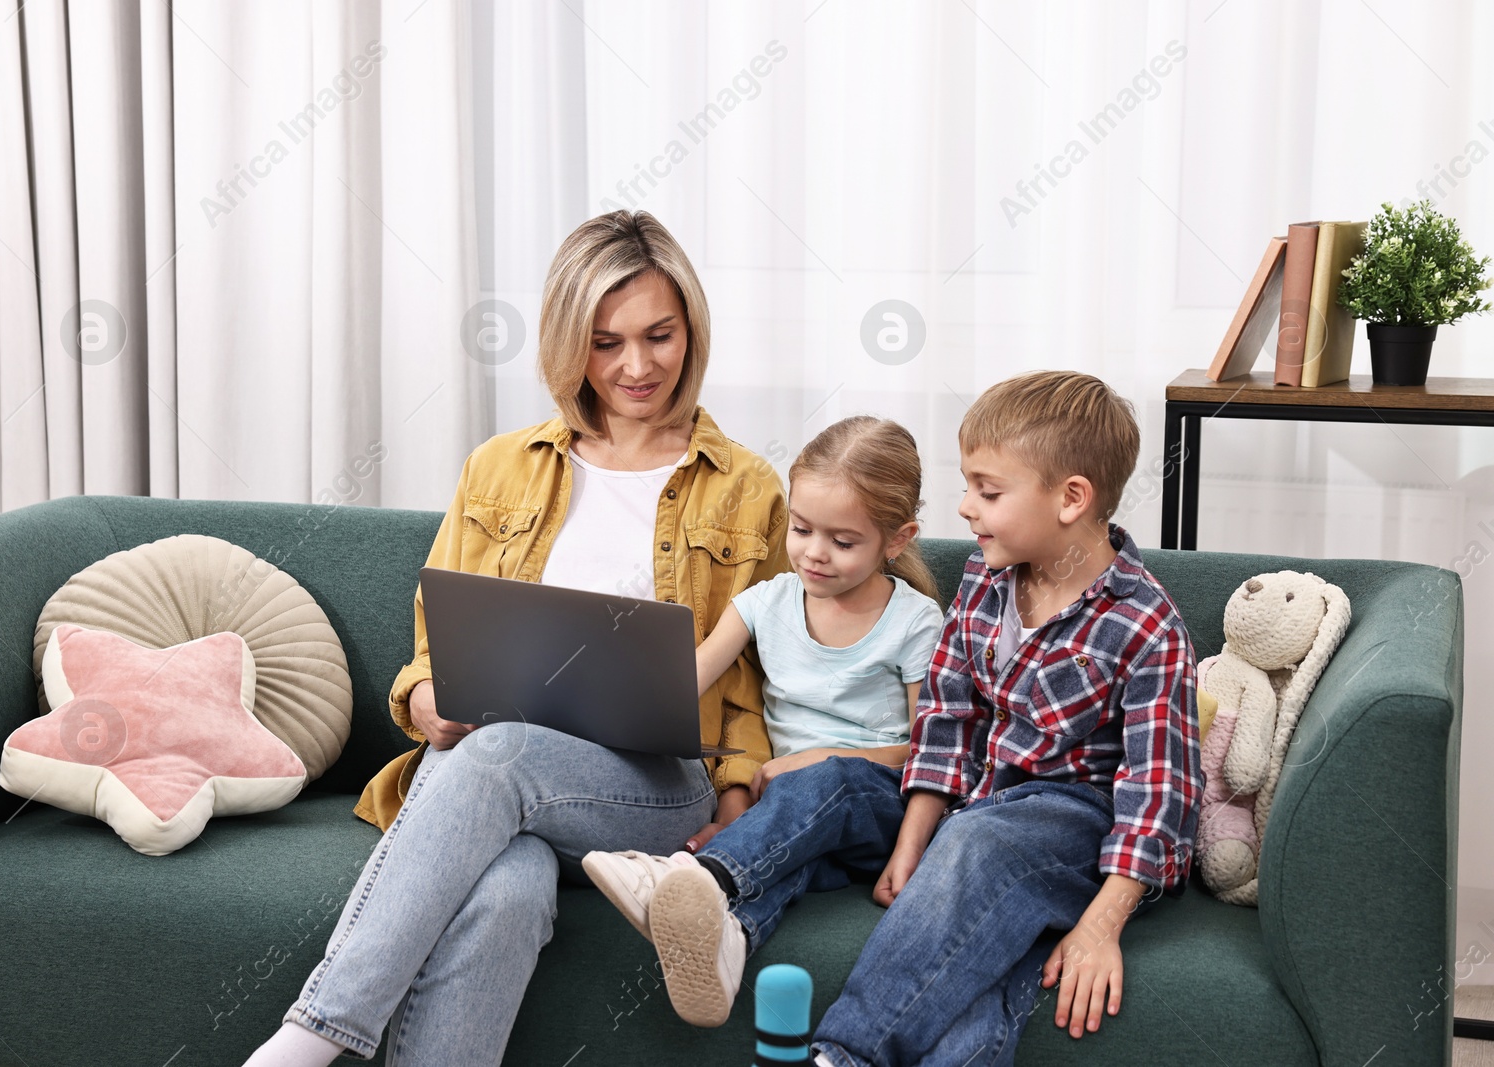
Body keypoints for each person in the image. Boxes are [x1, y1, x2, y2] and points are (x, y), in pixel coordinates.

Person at [240, 210, 788, 1067]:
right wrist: (428, 701)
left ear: (692, 331)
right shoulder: (501, 466)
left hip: (654, 788)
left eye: (659, 335)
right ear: (570, 343)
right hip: (496, 784)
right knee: (509, 887)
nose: (636, 366)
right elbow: (436, 640)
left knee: (498, 755)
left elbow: (754, 670)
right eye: (606, 342)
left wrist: (736, 805)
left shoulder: (746, 485)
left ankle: (309, 1039)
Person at [807, 370, 1204, 1066]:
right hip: (985, 815)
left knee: (981, 840)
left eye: (987, 491)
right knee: (973, 978)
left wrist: (1103, 923)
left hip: (1080, 822)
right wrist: (913, 844)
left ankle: (844, 1054)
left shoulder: (1147, 624)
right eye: (967, 485)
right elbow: (947, 715)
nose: (964, 507)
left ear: (1070, 498)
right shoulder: (986, 579)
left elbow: (1159, 798)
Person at [582, 416, 946, 1027]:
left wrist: (819, 761)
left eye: (843, 540)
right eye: (801, 529)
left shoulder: (916, 621)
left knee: (827, 783)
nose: (814, 553)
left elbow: (929, 752)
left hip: (878, 804)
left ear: (897, 539)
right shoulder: (766, 601)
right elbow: (681, 685)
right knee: (788, 864)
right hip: (795, 820)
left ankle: (692, 876)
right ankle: (731, 941)